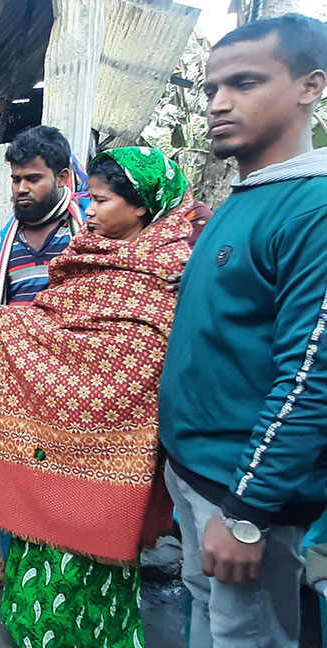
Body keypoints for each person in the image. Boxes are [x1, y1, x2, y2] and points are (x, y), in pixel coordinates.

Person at [0, 146, 192, 647]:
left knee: (99, 560)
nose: (91, 210)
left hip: (118, 449)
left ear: (142, 205)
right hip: (53, 435)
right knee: (43, 554)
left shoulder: (171, 272)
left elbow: (143, 359)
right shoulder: (84, 256)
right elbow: (50, 324)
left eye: (102, 201)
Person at [158, 14, 327, 647]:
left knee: (245, 635)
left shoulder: (314, 209)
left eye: (246, 82)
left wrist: (250, 514)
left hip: (242, 493)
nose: (219, 104)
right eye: (210, 89)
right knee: (209, 616)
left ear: (311, 86)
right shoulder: (244, 198)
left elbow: (310, 378)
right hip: (198, 476)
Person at [0, 125, 85, 588]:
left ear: (64, 176)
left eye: (33, 178)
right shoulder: (4, 242)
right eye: (15, 179)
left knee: (66, 481)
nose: (21, 189)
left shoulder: (87, 231)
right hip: (15, 388)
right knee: (14, 478)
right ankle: (14, 561)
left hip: (72, 386)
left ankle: (61, 572)